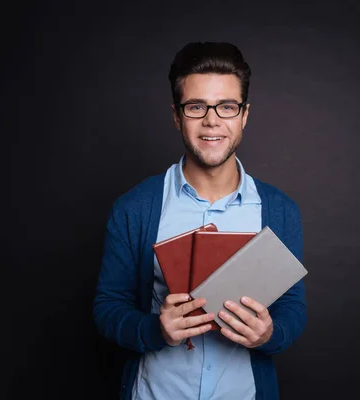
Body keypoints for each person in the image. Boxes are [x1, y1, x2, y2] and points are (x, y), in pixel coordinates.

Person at [93, 41, 306, 400]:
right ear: (177, 116)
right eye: (196, 107)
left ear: (244, 115)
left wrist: (270, 334)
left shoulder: (280, 210)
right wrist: (153, 330)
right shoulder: (134, 208)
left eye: (226, 106)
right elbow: (107, 306)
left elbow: (292, 306)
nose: (211, 121)